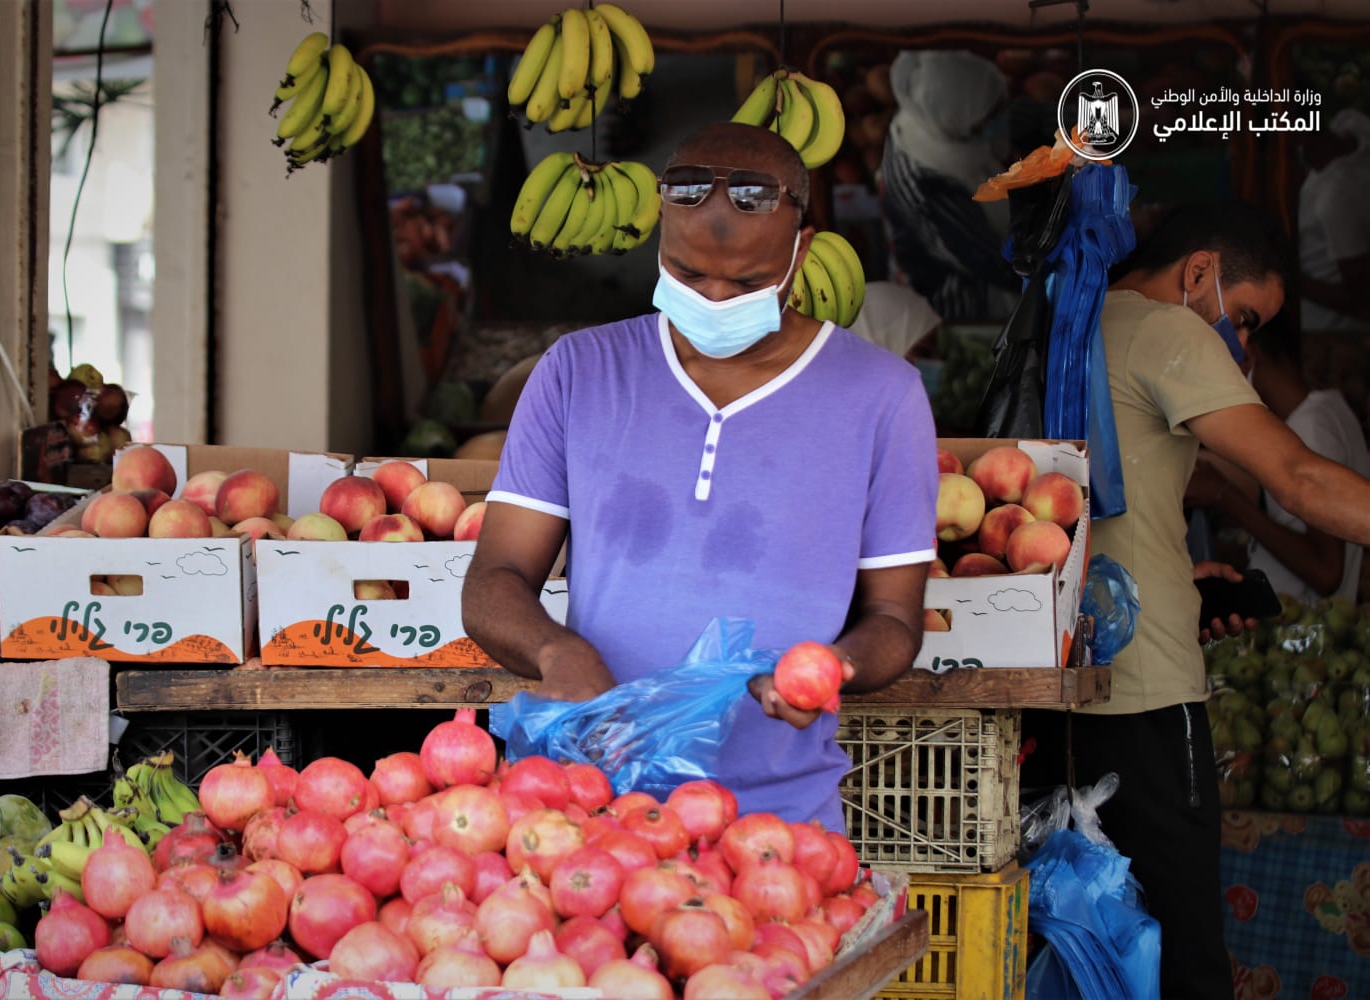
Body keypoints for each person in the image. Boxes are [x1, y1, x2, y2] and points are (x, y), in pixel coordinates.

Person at [462, 121, 939, 831]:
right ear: (661, 238)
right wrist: (555, 649)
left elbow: (895, 619)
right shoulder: (578, 372)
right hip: (592, 811)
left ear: (800, 252)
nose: (714, 297)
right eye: (688, 274)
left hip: (782, 824)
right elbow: (494, 578)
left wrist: (835, 666)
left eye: (746, 281)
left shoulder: (882, 394)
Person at [1021, 200, 1370, 1000]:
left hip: (1051, 684)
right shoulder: (1167, 330)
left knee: (1083, 949)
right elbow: (1301, 478)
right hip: (1143, 694)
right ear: (1200, 273)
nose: (1241, 347)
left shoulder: (1066, 318)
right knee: (1184, 957)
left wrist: (1186, 581)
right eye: (1243, 319)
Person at [1187, 318, 1370, 603]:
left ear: (1246, 356)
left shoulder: (1310, 426)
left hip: (1303, 631)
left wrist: (1225, 496)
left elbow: (1326, 572)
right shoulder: (1331, 409)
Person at [878, 50, 1020, 323]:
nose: (999, 119)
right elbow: (997, 266)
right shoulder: (929, 191)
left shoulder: (925, 119)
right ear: (960, 120)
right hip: (955, 304)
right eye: (989, 116)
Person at [1297, 109, 1370, 332]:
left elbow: (1361, 297)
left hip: (1336, 337)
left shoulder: (1336, 196)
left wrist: (1294, 282)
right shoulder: (1353, 128)